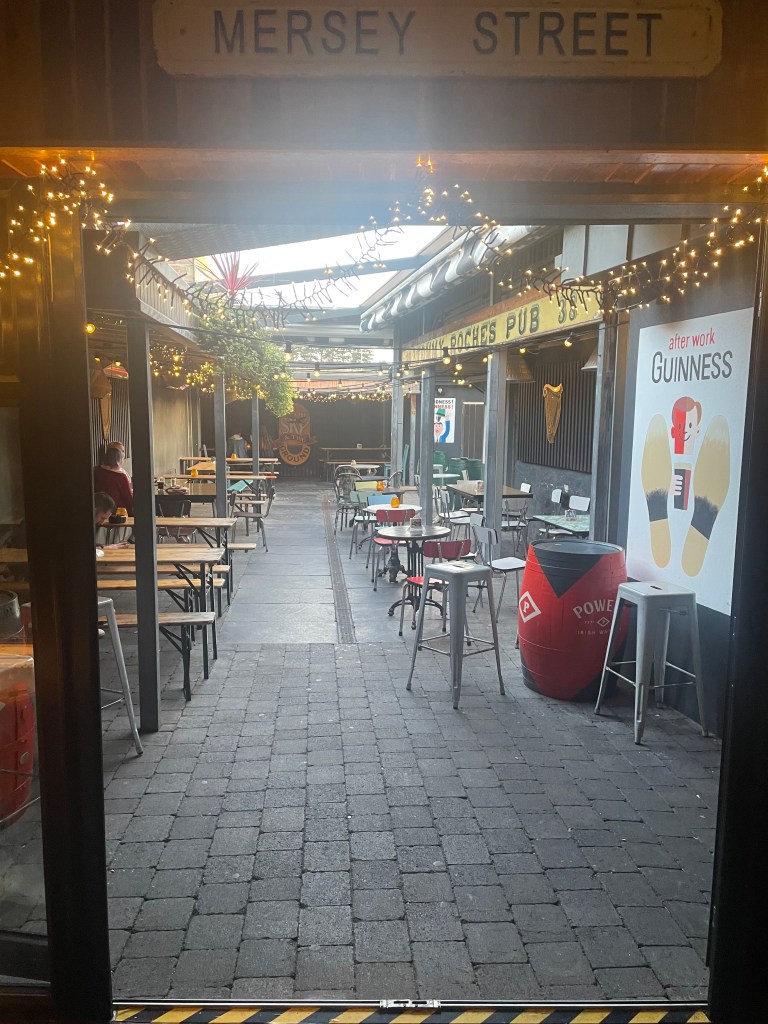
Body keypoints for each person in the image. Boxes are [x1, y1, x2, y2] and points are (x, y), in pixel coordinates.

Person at [94, 446, 134, 515]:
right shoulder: (120, 476)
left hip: (97, 511)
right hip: (117, 513)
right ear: (119, 460)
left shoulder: (95, 471)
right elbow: (129, 500)